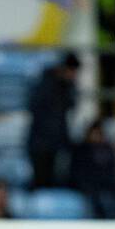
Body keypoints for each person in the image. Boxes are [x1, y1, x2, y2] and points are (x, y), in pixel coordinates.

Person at [26, 53, 80, 190]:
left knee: (56, 184)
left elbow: (70, 107)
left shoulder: (67, 87)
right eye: (72, 71)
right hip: (42, 144)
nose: (74, 75)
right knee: (42, 183)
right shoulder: (45, 85)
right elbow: (37, 111)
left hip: (55, 143)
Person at [70, 119, 115, 220]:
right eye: (93, 133)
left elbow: (113, 169)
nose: (96, 136)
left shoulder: (108, 149)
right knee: (96, 198)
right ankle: (98, 221)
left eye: (98, 133)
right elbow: (77, 171)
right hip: (89, 184)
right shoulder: (81, 150)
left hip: (107, 183)